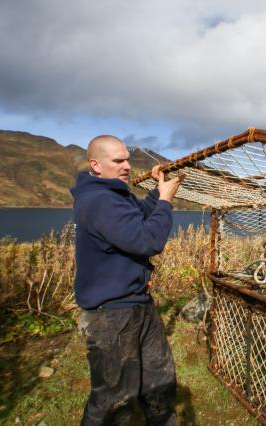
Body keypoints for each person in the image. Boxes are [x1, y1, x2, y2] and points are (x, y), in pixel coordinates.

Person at [70, 135, 183, 425]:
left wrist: (158, 193)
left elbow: (139, 217)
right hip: (111, 315)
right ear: (95, 164)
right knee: (112, 399)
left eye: (127, 159)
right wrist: (167, 201)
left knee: (159, 381)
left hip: (138, 304)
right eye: (118, 161)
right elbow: (147, 240)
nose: (127, 166)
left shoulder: (115, 195)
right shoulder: (99, 201)